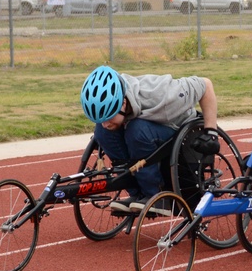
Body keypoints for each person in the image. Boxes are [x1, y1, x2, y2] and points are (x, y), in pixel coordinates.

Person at [79, 65, 221, 213]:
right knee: (101, 132)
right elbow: (106, 124)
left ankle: (155, 195)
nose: (106, 123)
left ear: (123, 103)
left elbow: (205, 85)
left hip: (176, 128)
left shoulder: (163, 94)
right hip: (146, 128)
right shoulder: (115, 97)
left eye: (108, 117)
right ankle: (136, 194)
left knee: (137, 130)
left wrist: (211, 132)